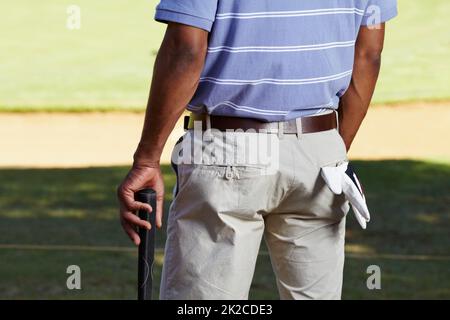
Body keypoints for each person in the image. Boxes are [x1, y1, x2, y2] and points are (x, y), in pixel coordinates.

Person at [117, 0, 397, 300]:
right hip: (321, 152)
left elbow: (185, 51)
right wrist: (334, 150)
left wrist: (147, 159)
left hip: (228, 146)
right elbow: (368, 55)